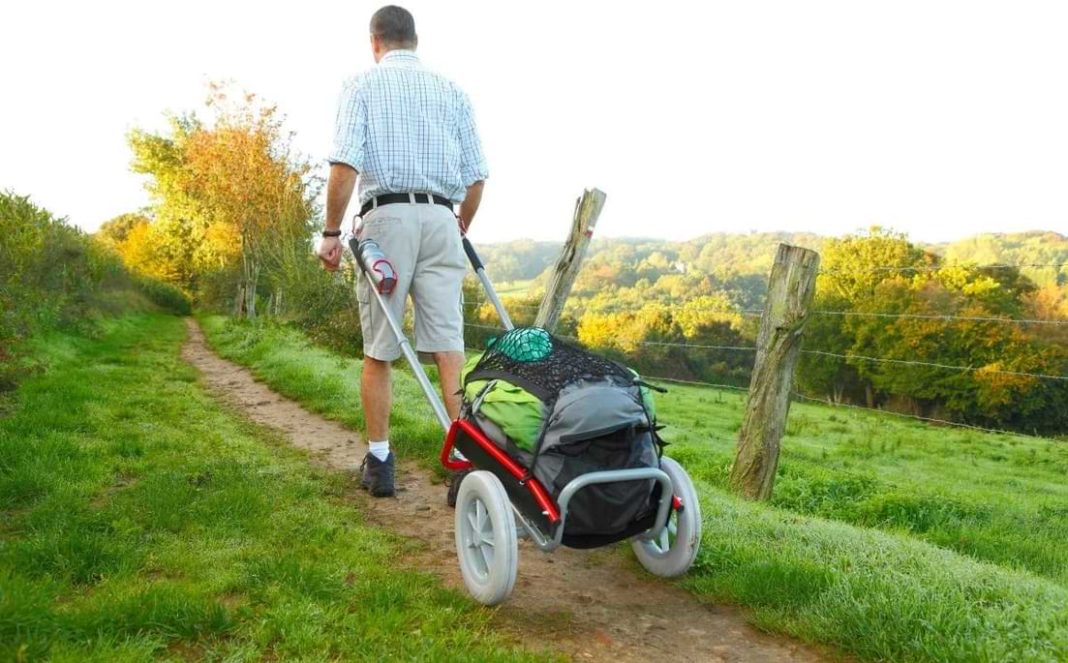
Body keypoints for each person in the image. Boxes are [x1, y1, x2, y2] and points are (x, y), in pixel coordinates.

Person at [318, 5, 487, 498]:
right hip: (441, 218)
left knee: (380, 347)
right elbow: (477, 178)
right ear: (415, 40)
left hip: (387, 218)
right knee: (448, 346)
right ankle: (463, 464)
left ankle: (380, 462)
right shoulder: (451, 90)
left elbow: (346, 165)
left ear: (375, 42)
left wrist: (331, 232)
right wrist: (459, 227)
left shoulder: (362, 85)